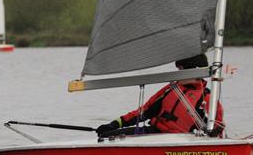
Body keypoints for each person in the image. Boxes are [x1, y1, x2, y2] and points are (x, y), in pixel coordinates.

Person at [95, 53, 224, 138]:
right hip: (153, 133)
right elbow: (143, 112)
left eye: (180, 70)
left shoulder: (208, 99)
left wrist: (214, 132)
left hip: (183, 143)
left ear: (193, 71)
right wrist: (114, 124)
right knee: (107, 135)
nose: (178, 73)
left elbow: (219, 128)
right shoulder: (170, 90)